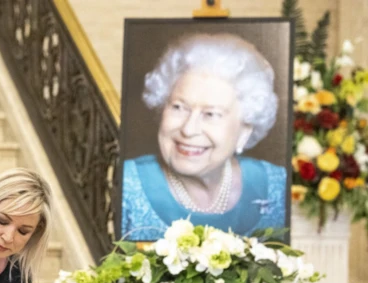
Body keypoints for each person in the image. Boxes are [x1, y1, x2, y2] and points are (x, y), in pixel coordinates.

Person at [121, 33, 286, 241]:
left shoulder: (278, 185)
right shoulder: (126, 184)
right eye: (179, 107)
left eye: (211, 114)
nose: (189, 129)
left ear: (245, 131)